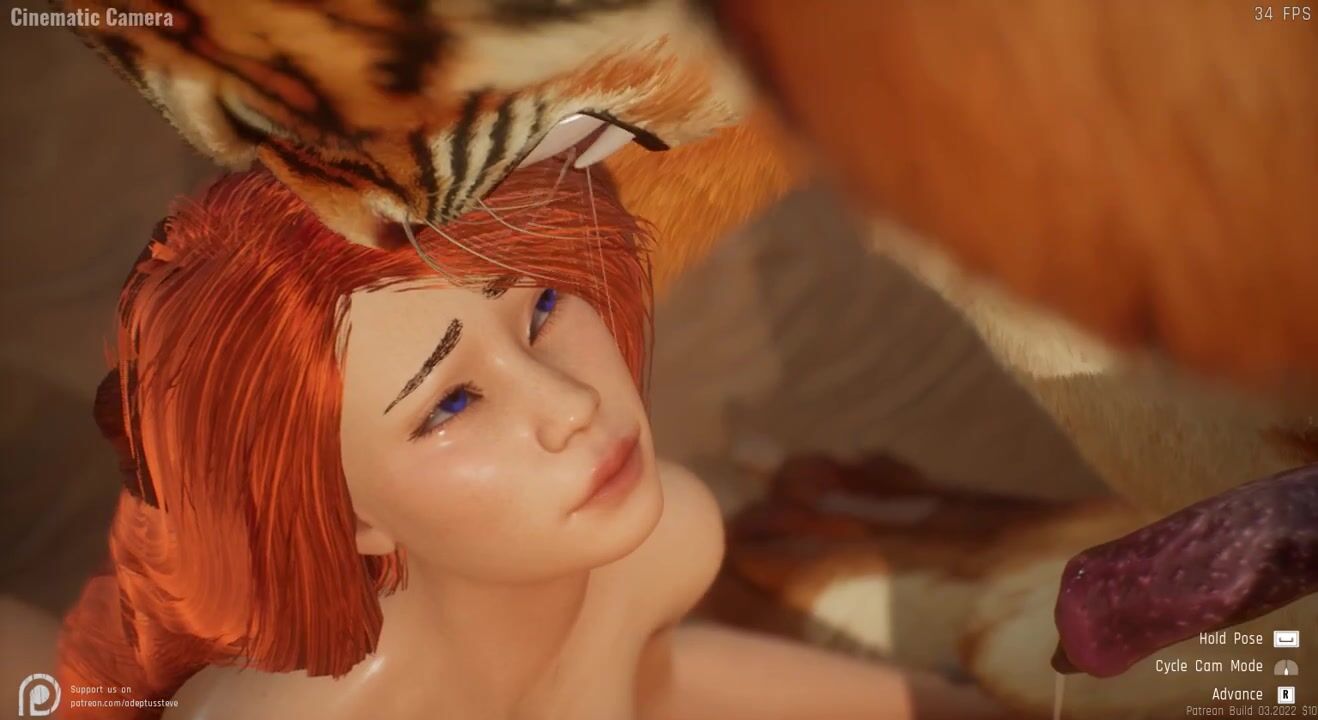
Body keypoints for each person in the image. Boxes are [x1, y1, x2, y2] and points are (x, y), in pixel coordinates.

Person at [58, 161, 1001, 720]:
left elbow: (662, 693)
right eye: (449, 405)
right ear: (348, 520)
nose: (570, 405)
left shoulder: (660, 549)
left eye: (543, 306)